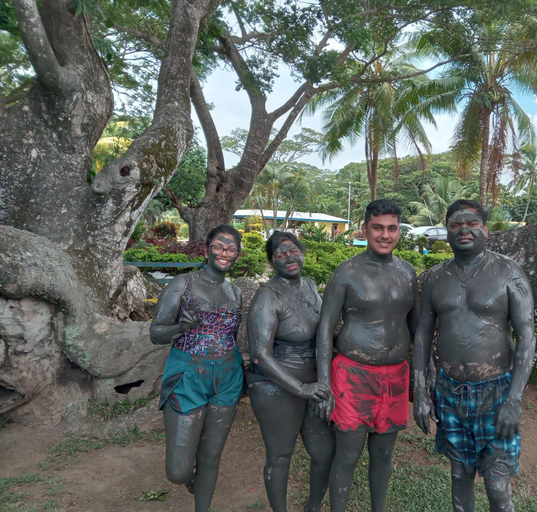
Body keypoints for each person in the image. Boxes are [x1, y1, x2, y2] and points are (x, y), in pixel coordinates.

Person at [413, 200, 536, 512]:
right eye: (455, 225)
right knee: (459, 474)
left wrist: (514, 399)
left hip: (496, 391)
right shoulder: (436, 277)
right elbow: (423, 334)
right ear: (447, 232)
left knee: (497, 484)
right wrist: (420, 389)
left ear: (485, 229)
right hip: (449, 391)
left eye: (471, 223)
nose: (463, 229)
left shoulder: (508, 272)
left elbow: (526, 336)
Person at [316, 198, 419, 512]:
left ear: (399, 231)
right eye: (378, 228)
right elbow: (324, 329)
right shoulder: (347, 272)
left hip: (395, 376)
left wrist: (419, 379)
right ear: (365, 229)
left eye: (391, 228)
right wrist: (323, 385)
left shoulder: (409, 272)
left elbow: (415, 329)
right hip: (353, 374)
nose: (385, 235)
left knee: (384, 454)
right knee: (347, 455)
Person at [149, 224, 244, 512]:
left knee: (211, 458)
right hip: (187, 376)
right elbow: (155, 333)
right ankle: (190, 478)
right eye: (218, 246)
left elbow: (233, 335)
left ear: (237, 255)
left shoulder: (235, 292)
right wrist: (180, 327)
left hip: (227, 377)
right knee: (177, 472)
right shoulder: (182, 284)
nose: (224, 253)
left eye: (231, 249)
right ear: (206, 249)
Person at [247, 231, 334, 512]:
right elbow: (260, 355)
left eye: (293, 251)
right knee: (280, 455)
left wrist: (323, 384)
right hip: (275, 386)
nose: (289, 258)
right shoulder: (267, 296)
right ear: (272, 262)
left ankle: (313, 507)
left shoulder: (309, 286)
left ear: (303, 253)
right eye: (281, 255)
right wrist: (301, 389)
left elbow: (323, 336)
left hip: (313, 383)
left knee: (324, 452)